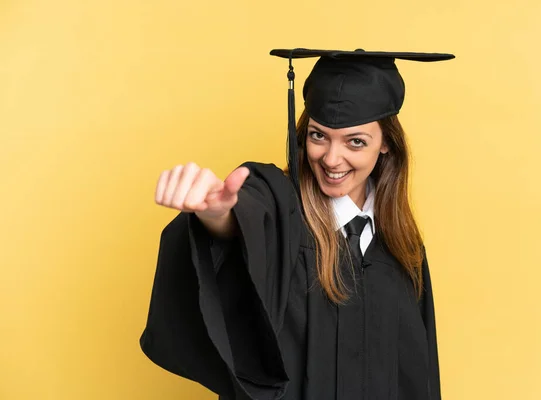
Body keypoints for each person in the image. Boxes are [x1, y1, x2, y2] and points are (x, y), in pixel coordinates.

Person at [139, 48, 455, 400]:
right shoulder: (281, 205)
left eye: (355, 142)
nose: (331, 159)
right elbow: (245, 222)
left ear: (385, 146)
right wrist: (215, 214)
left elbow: (418, 374)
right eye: (319, 136)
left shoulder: (402, 245)